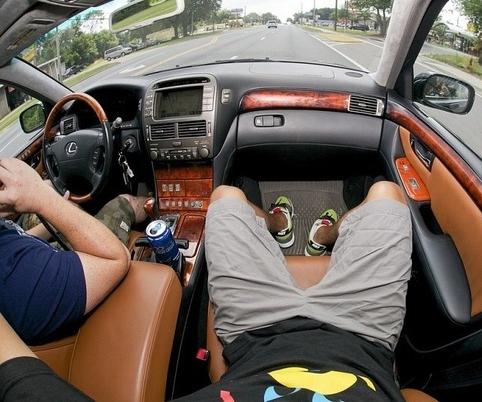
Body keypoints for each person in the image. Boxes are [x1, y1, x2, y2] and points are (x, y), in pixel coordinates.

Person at [0, 179, 412, 401]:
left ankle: (279, 225)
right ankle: (319, 235)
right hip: (361, 339)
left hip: (257, 335)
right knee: (387, 195)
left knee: (226, 198)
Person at [0, 157, 138, 344]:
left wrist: (54, 217)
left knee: (49, 185)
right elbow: (116, 258)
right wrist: (44, 199)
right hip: (101, 261)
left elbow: (20, 237)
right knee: (126, 201)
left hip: (41, 256)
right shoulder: (13, 273)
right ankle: (148, 202)